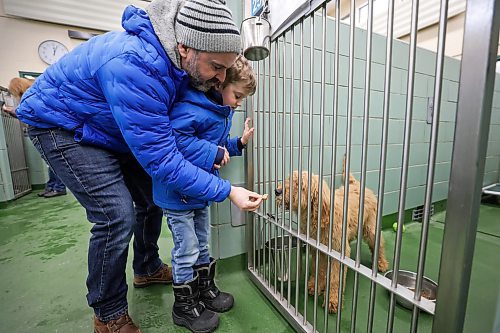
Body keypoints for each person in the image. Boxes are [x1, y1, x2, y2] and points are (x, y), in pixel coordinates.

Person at [15, 0, 263, 332]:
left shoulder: (180, 64)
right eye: (216, 67)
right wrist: (228, 190)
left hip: (107, 126)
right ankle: (108, 313)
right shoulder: (136, 64)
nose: (219, 78)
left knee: (148, 199)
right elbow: (164, 159)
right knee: (115, 215)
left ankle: (146, 268)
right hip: (60, 124)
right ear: (185, 47)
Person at [161, 56, 256, 333]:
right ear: (220, 83)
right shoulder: (192, 105)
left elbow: (214, 145)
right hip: (177, 194)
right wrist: (213, 152)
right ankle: (183, 306)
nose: (238, 103)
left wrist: (237, 143)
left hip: (199, 191)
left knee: (203, 244)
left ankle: (204, 290)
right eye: (237, 95)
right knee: (186, 249)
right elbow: (176, 142)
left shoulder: (217, 111)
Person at [2, 77, 67, 198]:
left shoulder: (31, 95)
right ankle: (52, 186)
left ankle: (59, 187)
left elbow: (32, 112)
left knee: (54, 163)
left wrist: (10, 110)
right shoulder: (33, 94)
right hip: (44, 132)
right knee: (51, 163)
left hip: (45, 132)